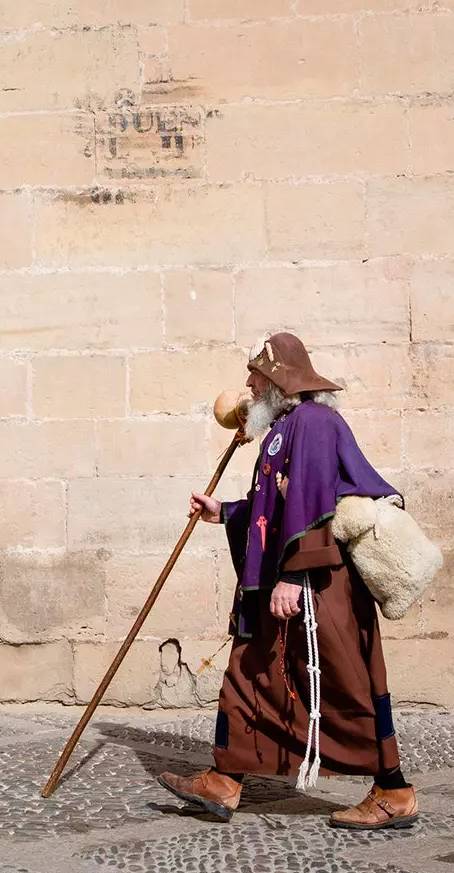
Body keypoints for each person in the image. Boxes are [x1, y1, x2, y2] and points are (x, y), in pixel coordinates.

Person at [157, 332, 419, 830]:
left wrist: (294, 575)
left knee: (346, 684)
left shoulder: (315, 423)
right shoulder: (285, 429)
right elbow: (273, 509)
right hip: (284, 583)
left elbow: (314, 501)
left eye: (255, 376)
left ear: (279, 379)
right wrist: (226, 512)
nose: (248, 386)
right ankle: (224, 778)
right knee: (250, 672)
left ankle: (393, 790)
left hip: (319, 586)